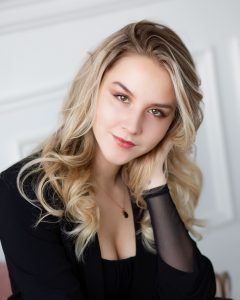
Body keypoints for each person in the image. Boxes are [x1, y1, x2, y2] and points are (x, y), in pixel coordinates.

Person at [0, 20, 216, 300]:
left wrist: (155, 187)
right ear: (94, 90)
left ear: (172, 126)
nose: (133, 125)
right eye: (122, 97)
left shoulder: (149, 185)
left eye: (156, 112)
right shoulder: (22, 191)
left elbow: (194, 295)